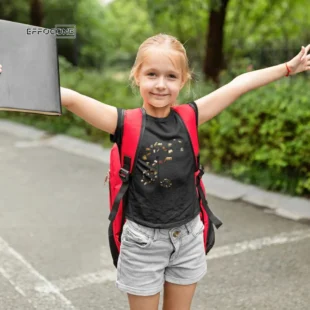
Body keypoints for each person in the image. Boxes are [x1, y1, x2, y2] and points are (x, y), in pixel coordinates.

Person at [1, 34, 309, 310]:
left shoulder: (191, 117)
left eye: (171, 76)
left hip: (188, 237)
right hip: (142, 242)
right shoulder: (123, 122)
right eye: (152, 74)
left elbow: (238, 84)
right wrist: (11, 81)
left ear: (183, 81)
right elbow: (68, 98)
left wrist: (287, 68)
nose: (161, 84)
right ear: (137, 77)